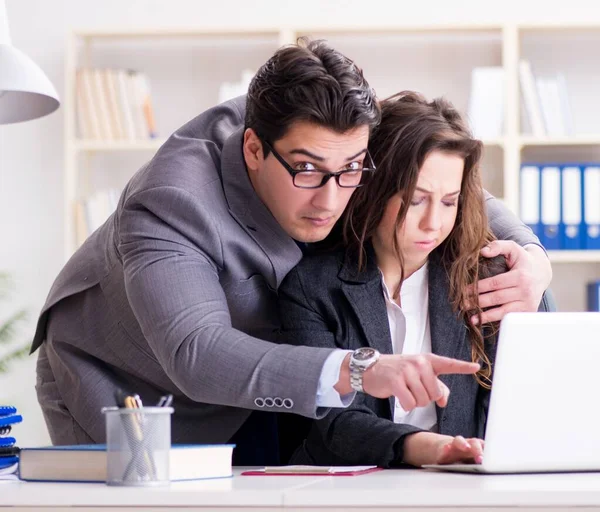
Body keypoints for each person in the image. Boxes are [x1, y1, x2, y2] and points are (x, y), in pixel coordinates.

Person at [31, 39, 550, 464]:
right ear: (254, 149)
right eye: (307, 172)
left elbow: (435, 169)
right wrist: (359, 369)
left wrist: (532, 256)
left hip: (273, 380)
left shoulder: (339, 133)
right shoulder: (170, 203)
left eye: (352, 170)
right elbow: (198, 355)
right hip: (128, 384)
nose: (332, 199)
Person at [277, 91, 555, 468]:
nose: (433, 224)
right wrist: (429, 447)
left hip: (468, 485)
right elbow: (332, 425)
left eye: (448, 202)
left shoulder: (491, 283)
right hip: (346, 489)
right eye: (416, 200)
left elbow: (519, 413)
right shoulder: (311, 288)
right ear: (373, 190)